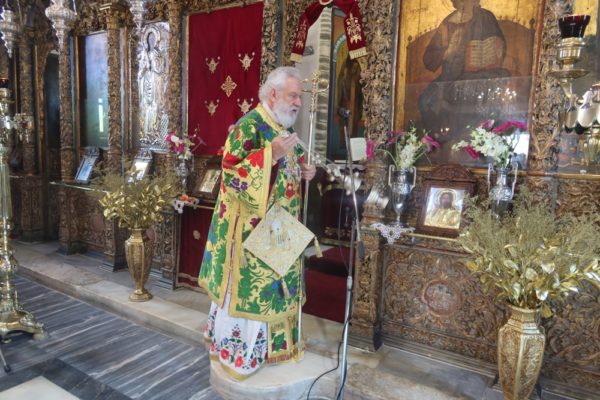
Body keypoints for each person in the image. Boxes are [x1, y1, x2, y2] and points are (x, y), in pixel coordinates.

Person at [198, 66, 316, 380]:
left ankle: (276, 350)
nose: (298, 103)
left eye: (300, 97)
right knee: (256, 291)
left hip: (279, 231)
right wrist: (270, 155)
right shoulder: (248, 126)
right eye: (293, 96)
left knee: (279, 288)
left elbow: (285, 175)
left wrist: (303, 171)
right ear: (273, 94)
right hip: (251, 234)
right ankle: (244, 353)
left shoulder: (282, 127)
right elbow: (231, 175)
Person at [418, 0, 510, 133]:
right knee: (425, 100)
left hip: (478, 76)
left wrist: (496, 50)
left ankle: (470, 139)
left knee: (468, 101)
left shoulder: (485, 17)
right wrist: (448, 51)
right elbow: (428, 58)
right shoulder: (448, 22)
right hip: (448, 78)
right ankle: (436, 140)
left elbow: (499, 46)